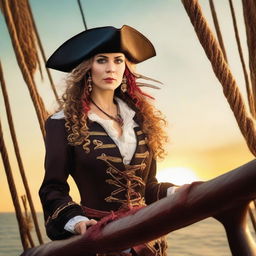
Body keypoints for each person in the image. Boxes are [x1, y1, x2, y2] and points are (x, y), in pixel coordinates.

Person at [40, 25, 177, 256]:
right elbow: (52, 189)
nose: (111, 68)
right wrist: (76, 221)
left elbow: (148, 186)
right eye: (102, 60)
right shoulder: (61, 123)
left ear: (126, 68)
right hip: (99, 243)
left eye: (118, 60)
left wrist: (178, 192)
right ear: (87, 68)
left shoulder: (141, 119)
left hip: (148, 241)